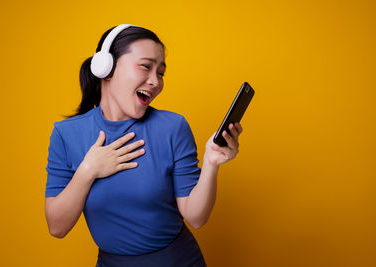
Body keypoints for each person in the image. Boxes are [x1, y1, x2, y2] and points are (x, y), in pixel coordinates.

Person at [44, 24, 243, 267]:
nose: (155, 81)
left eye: (160, 73)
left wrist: (212, 163)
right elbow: (57, 227)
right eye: (146, 66)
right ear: (106, 68)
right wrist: (88, 170)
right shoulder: (66, 135)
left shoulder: (173, 127)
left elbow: (196, 217)